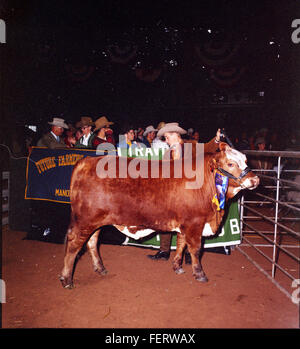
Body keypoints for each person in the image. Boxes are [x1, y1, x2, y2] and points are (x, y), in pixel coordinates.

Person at [147, 123, 222, 261]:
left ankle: (189, 253)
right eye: (165, 138)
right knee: (166, 218)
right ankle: (164, 251)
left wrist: (216, 140)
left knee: (192, 223)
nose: (166, 140)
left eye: (167, 137)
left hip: (191, 194)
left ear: (175, 135)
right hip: (173, 193)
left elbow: (208, 148)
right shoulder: (167, 153)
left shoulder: (191, 146)